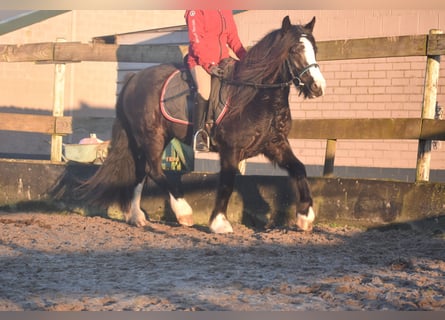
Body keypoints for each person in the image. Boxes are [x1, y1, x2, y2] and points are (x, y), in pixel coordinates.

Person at [185, 10, 247, 151]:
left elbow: (233, 39)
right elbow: (196, 41)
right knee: (205, 90)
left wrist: (246, 59)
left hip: (222, 60)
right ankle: (199, 134)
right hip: (200, 61)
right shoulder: (196, 10)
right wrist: (208, 65)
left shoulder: (225, 9)